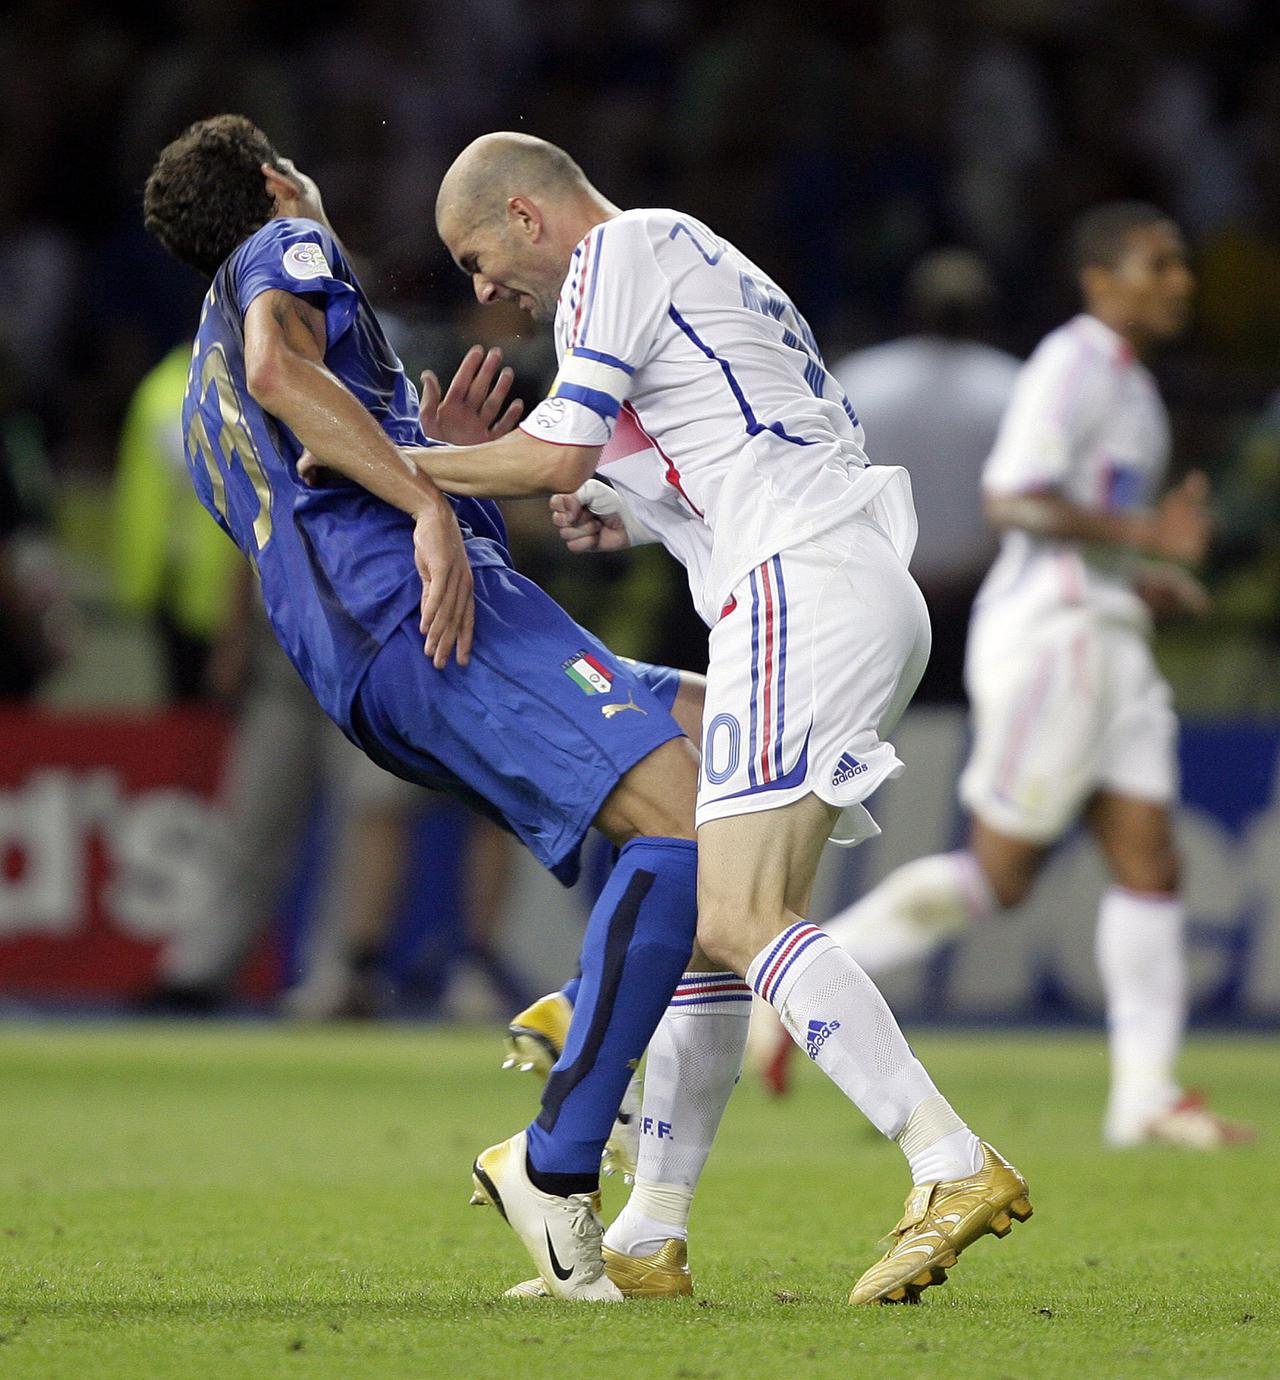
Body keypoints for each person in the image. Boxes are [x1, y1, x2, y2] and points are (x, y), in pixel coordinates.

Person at [386, 131, 1033, 1305]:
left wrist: (408, 464)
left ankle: (947, 1160)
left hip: (797, 584)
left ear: (529, 217)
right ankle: (647, 1230)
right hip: (826, 580)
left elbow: (561, 449)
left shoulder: (618, 251)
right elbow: (632, 476)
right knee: (703, 907)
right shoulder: (679, 275)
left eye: (478, 257)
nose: (482, 291)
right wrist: (583, 504)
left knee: (736, 910)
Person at [142, 114, 706, 1301]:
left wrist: (422, 455)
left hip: (380, 646)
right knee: (690, 818)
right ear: (268, 179)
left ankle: (589, 1025)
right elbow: (280, 369)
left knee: (725, 744)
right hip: (412, 622)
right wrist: (429, 500)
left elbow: (302, 463)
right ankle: (557, 1163)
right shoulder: (284, 245)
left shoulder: (191, 384)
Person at [765, 202, 1251, 1149]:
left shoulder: (1131, 386)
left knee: (1151, 860)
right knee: (1002, 873)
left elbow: (1077, 519)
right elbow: (1013, 498)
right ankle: (795, 988)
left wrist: (1138, 573)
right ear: (1101, 279)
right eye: (1161, 265)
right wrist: (1144, 536)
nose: (1182, 282)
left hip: (1107, 632)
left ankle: (1145, 1096)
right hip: (1055, 643)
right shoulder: (1069, 367)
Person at [830, 248, 1020, 703]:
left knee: (867, 733)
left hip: (873, 593)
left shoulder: (858, 380)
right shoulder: (1013, 387)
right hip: (976, 597)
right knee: (967, 737)